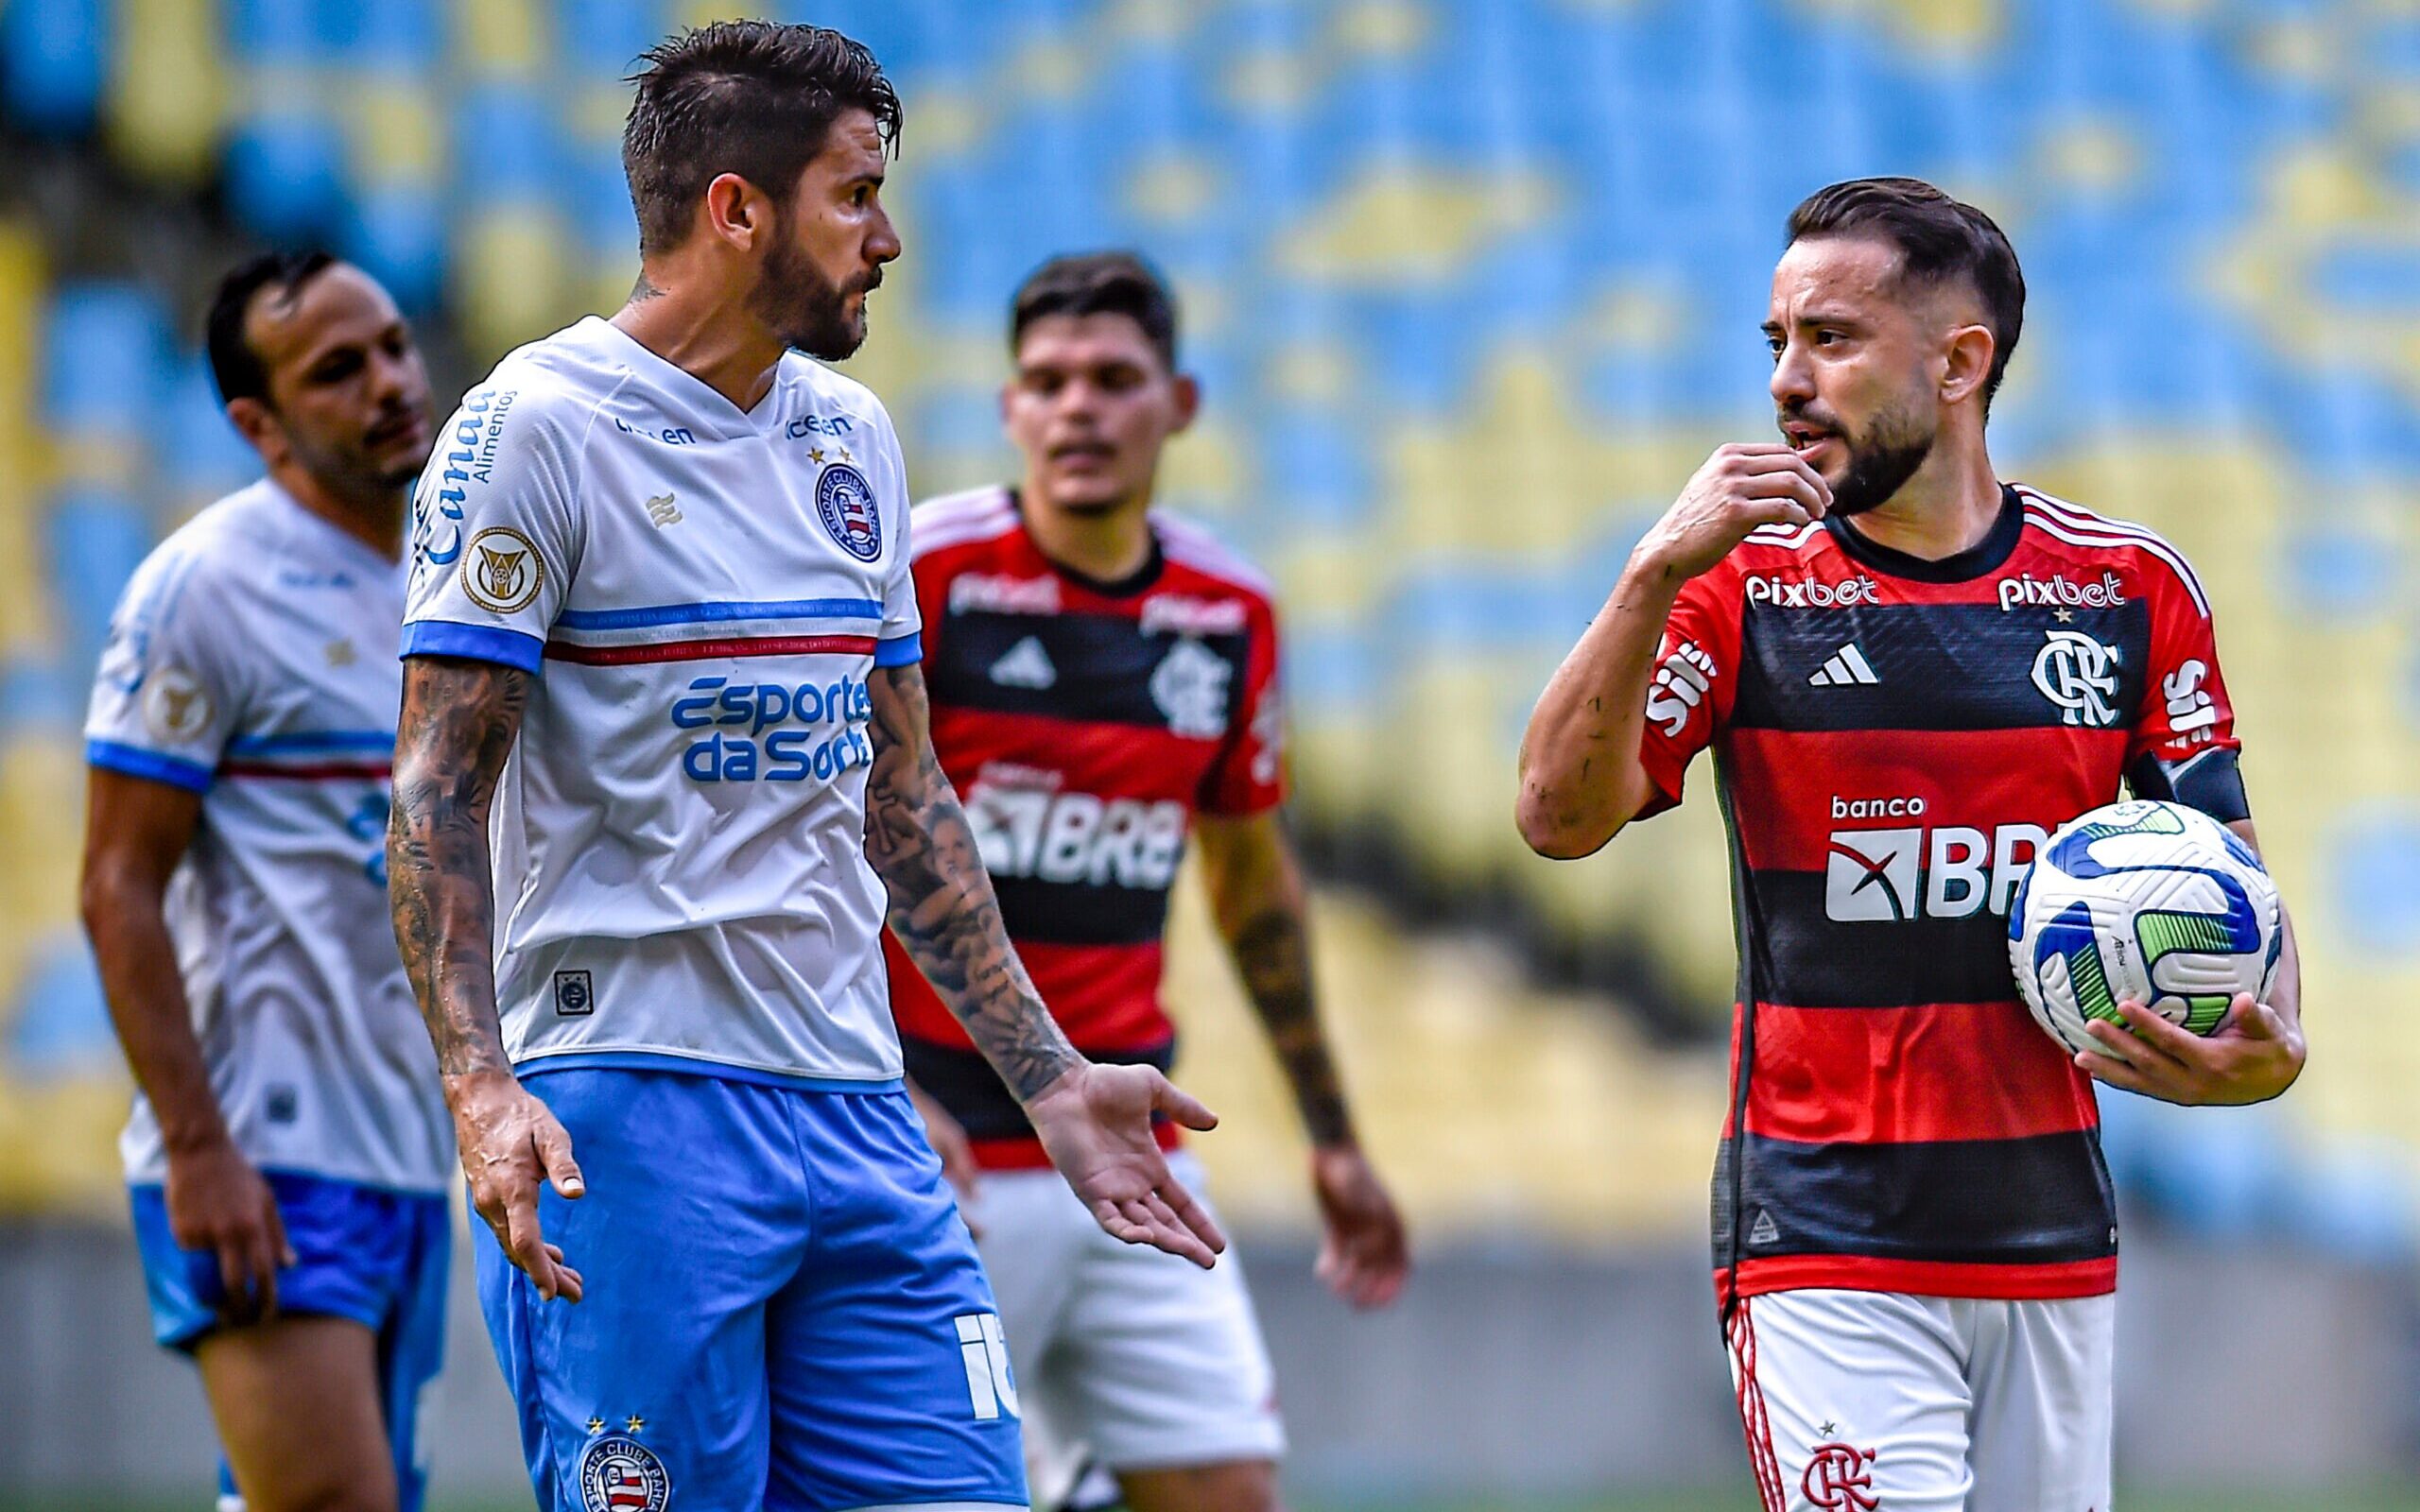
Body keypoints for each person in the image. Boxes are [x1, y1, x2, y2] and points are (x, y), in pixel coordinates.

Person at [385, 24, 1224, 1512]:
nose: (887, 237)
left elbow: (899, 795)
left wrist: (1048, 1082)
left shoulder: (853, 436)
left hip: (856, 1102)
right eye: (857, 196)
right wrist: (477, 1088)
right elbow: (436, 791)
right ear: (736, 210)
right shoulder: (534, 430)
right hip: (629, 1117)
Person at [1515, 177, 2305, 1512]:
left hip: (2050, 1241)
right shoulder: (1736, 589)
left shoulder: (2126, 591)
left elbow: (2237, 904)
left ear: (1959, 362)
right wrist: (1649, 573)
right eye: (1775, 343)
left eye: (1829, 338)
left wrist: (2261, 1051)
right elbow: (1557, 816)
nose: (1786, 381)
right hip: (1823, 1236)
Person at [890, 252, 1409, 1512]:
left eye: (1114, 380)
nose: (1078, 409)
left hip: (1135, 1146)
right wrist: (883, 1087)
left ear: (1179, 404)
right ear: (1010, 408)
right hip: (938, 1155)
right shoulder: (926, 575)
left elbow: (1250, 884)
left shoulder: (1227, 612)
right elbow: (821, 844)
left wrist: (1333, 1140)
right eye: (1049, 382)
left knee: (1232, 1493)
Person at [79, 252, 450, 1512]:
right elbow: (116, 884)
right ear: (259, 424)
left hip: (405, 1146)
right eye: (337, 370)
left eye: (393, 345)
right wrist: (197, 1145)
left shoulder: (451, 578)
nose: (390, 383)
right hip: (270, 1150)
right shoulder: (206, 589)